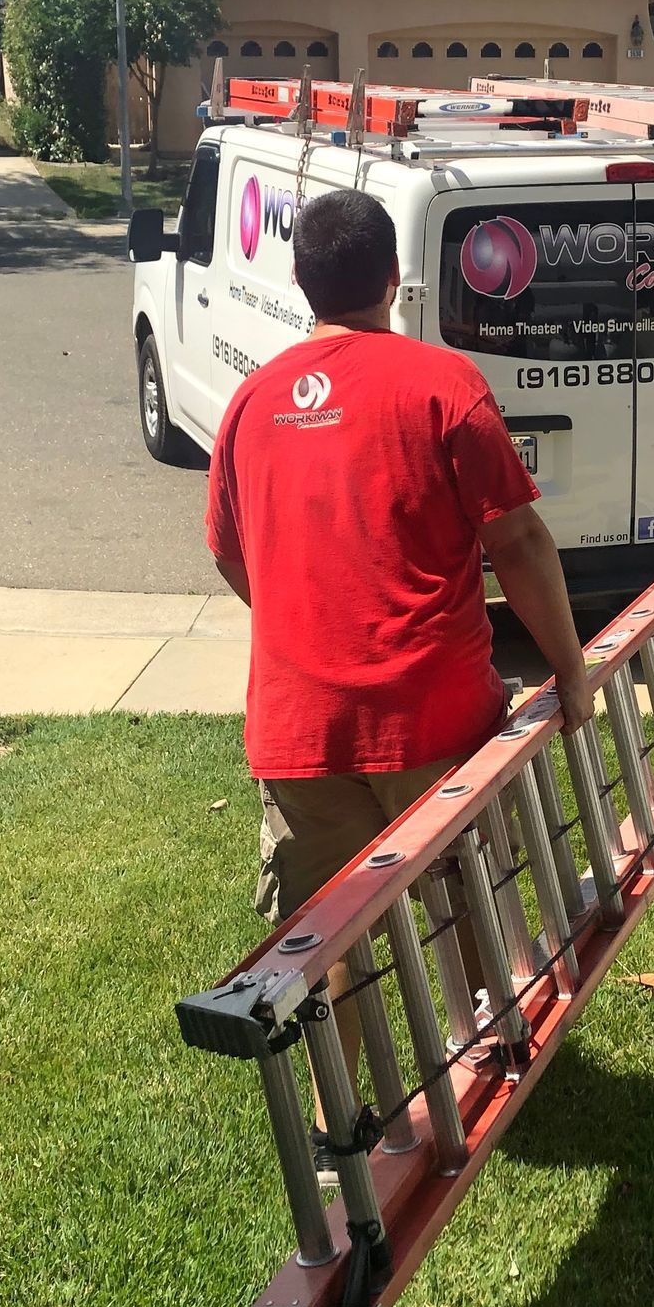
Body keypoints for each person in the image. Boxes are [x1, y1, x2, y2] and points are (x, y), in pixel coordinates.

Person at [205, 185, 597, 1085]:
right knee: (464, 899)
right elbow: (521, 542)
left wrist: (311, 630)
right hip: (433, 719)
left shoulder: (252, 403)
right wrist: (571, 674)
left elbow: (233, 560)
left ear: (300, 280)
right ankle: (483, 1065)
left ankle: (342, 1120)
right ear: (393, 277)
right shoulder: (443, 384)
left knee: (328, 932)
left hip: (298, 731)